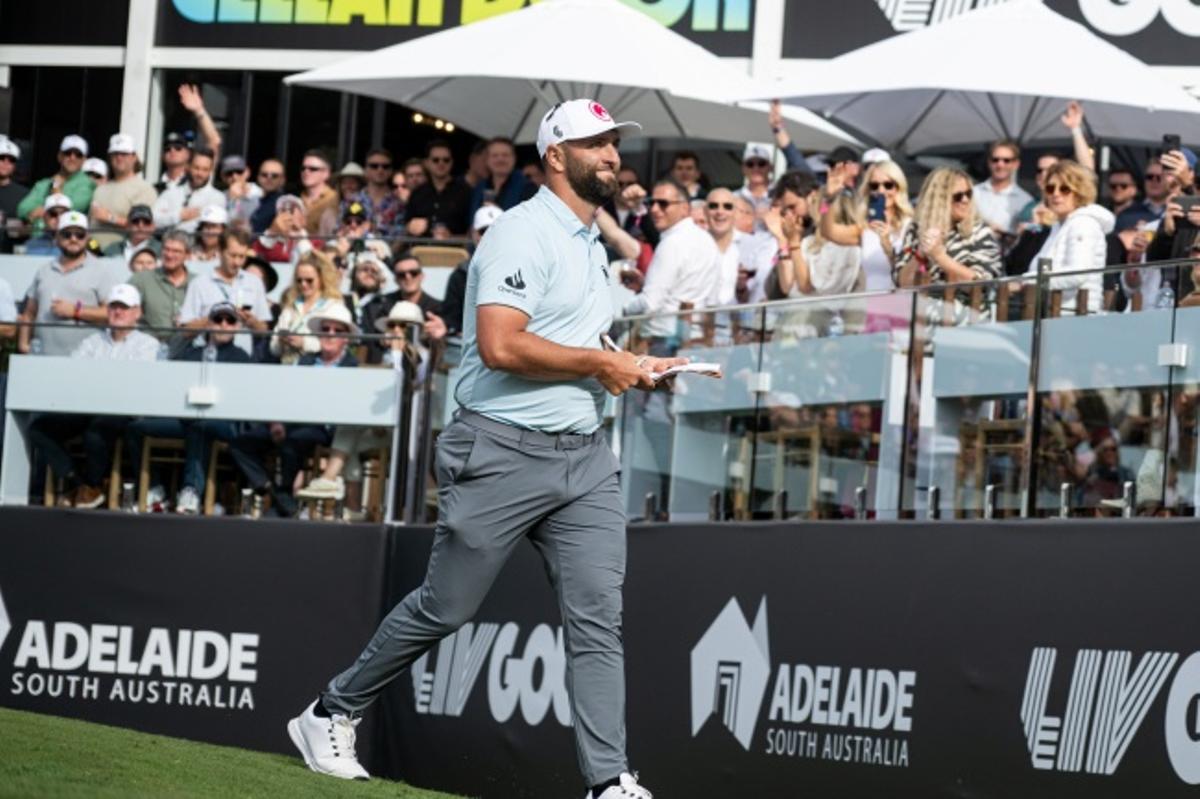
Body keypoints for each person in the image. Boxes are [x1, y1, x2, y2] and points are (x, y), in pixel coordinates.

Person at [287, 98, 667, 799]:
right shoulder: (520, 232)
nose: (613, 155)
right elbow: (498, 345)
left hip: (584, 457)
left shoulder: (592, 242)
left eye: (614, 143)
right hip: (499, 448)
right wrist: (595, 363)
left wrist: (625, 365)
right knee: (447, 606)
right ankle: (331, 710)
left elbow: (575, 343)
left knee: (596, 617)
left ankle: (609, 782)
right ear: (557, 157)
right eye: (597, 144)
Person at [297, 300, 446, 518]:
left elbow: (402, 385)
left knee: (349, 431)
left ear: (415, 331)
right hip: (393, 430)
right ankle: (351, 505)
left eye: (402, 326)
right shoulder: (394, 355)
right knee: (352, 437)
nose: (396, 331)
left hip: (409, 434)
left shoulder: (419, 355)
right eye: (393, 325)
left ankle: (334, 484)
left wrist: (396, 353)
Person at [27, 284, 160, 509]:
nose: (118, 312)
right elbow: (75, 373)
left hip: (123, 410)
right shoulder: (92, 341)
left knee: (96, 431)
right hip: (86, 406)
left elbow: (134, 384)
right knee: (39, 428)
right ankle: (76, 482)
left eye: (124, 308)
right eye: (114, 307)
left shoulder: (148, 344)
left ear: (137, 312)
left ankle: (93, 484)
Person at [231, 304, 360, 517]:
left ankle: (282, 499)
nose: (330, 334)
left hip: (323, 426)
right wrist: (277, 422)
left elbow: (342, 405)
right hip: (291, 421)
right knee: (240, 443)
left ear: (346, 338)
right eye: (325, 329)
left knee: (294, 441)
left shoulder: (351, 366)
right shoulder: (306, 360)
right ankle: (272, 490)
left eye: (338, 331)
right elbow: (285, 394)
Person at [125, 301, 250, 515]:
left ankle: (191, 490)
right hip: (187, 419)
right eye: (217, 319)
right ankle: (155, 488)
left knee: (200, 424)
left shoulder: (242, 358)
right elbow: (172, 383)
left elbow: (244, 399)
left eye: (229, 320)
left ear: (237, 326)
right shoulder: (191, 353)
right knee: (135, 427)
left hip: (224, 424)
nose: (223, 324)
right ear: (208, 323)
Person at [621, 177, 722, 345]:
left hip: (667, 342)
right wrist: (645, 284)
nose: (654, 209)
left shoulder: (673, 242)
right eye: (651, 202)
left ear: (684, 208)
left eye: (663, 204)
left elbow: (650, 303)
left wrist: (621, 310)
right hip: (698, 339)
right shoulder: (706, 239)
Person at [894, 167, 1002, 322]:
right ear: (939, 198)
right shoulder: (916, 229)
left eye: (968, 194)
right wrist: (920, 254)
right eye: (958, 196)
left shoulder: (979, 231)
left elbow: (981, 284)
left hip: (968, 324)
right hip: (922, 326)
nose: (965, 200)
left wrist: (940, 257)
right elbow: (903, 283)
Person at [18, 211, 119, 356]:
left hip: (85, 361)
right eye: (67, 234)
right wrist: (23, 345)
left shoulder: (101, 270)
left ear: (87, 237)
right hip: (43, 358)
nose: (73, 239)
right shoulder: (44, 271)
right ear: (57, 237)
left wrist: (76, 311)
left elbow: (114, 314)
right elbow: (29, 313)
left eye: (80, 235)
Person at [1022, 161, 1113, 315]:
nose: (1056, 194)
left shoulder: (1083, 223)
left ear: (1079, 192)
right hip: (1054, 314)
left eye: (1064, 189)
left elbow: (1077, 274)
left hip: (1076, 317)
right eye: (1050, 188)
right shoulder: (1060, 225)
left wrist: (1027, 282)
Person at [817, 159, 913, 292]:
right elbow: (828, 232)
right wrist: (828, 199)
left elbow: (909, 276)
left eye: (888, 185)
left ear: (899, 187)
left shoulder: (910, 226)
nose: (881, 190)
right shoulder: (866, 228)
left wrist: (888, 248)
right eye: (874, 186)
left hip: (903, 305)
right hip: (873, 307)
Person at [178, 229, 271, 356]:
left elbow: (264, 331)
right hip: (206, 357)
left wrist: (252, 322)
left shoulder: (254, 283)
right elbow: (186, 331)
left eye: (242, 257)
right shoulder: (199, 283)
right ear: (220, 252)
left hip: (241, 359)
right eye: (232, 255)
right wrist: (215, 318)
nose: (237, 262)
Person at [271, 250, 346, 365]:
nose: (303, 284)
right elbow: (273, 348)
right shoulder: (290, 307)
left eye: (309, 280)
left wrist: (303, 343)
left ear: (322, 278)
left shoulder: (335, 307)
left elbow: (338, 346)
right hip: (286, 370)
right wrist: (282, 342)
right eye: (299, 280)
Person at [441, 205, 502, 336]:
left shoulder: (523, 270)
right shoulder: (459, 275)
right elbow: (451, 320)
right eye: (483, 231)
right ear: (474, 235)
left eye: (496, 230)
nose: (489, 236)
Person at [88, 133, 158, 247]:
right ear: (110, 157)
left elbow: (144, 228)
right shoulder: (100, 190)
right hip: (93, 253)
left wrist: (110, 218)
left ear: (134, 157)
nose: (119, 157)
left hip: (123, 256)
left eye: (124, 153)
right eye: (115, 153)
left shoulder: (145, 189)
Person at [17, 135, 94, 235]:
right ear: (59, 156)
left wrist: (42, 210)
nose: (72, 158)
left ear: (84, 160)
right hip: (37, 241)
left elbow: (69, 208)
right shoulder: (44, 184)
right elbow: (22, 208)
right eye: (68, 153)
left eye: (78, 155)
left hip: (68, 243)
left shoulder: (88, 184)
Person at [155, 84, 224, 194]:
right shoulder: (155, 188)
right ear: (162, 156)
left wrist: (199, 110)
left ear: (188, 153)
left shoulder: (198, 178)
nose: (172, 150)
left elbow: (214, 141)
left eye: (178, 147)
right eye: (167, 148)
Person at [128, 230, 192, 341]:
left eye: (176, 251)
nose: (169, 255)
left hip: (188, 347)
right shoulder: (141, 279)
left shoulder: (197, 283)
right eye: (166, 249)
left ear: (187, 255)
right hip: (148, 346)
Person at [405, 139, 472, 237]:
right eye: (435, 160)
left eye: (446, 160)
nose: (441, 163)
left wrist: (451, 237)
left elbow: (472, 233)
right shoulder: (417, 193)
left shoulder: (465, 192)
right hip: (421, 250)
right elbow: (406, 226)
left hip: (454, 251)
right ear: (427, 163)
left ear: (452, 162)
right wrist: (411, 226)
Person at [153, 146, 224, 234]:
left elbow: (210, 226)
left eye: (205, 169)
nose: (200, 173)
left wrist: (167, 217)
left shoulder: (217, 197)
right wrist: (179, 216)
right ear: (188, 167)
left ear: (210, 171)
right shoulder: (170, 193)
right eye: (196, 168)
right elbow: (153, 220)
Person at [973, 139, 1034, 240]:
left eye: (1006, 160)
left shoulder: (1026, 201)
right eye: (995, 160)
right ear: (989, 162)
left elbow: (1026, 237)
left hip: (1004, 253)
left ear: (1016, 164)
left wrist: (1004, 235)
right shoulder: (972, 193)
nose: (1000, 165)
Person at [467, 137, 535, 218]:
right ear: (487, 160)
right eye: (495, 155)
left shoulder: (527, 188)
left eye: (505, 155)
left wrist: (498, 214)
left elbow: (530, 222)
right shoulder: (479, 187)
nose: (500, 159)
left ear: (514, 158)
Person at [704, 187, 745, 307]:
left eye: (727, 206)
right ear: (705, 211)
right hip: (700, 321)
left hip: (739, 322)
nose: (720, 212)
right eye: (713, 206)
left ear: (736, 212)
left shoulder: (750, 244)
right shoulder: (693, 245)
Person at [386, 249, 442, 318]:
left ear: (422, 276)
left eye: (414, 273)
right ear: (395, 280)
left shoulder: (438, 309)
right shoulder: (382, 305)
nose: (408, 277)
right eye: (401, 275)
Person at [298, 150, 338, 237]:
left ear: (326, 174)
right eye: (303, 168)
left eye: (313, 169)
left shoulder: (335, 199)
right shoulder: (296, 201)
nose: (306, 172)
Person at [0, 136, 27, 252]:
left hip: (9, 255)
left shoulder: (24, 194)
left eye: (11, 160)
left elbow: (32, 228)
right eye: (2, 158)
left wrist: (17, 228)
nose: (6, 163)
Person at [735, 143, 775, 219]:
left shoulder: (781, 195)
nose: (756, 168)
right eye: (750, 164)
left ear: (771, 167)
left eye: (761, 164)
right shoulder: (733, 198)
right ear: (743, 168)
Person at [222, 154, 261, 232]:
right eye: (229, 173)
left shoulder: (260, 193)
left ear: (247, 172)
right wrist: (231, 200)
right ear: (223, 177)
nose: (234, 177)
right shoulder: (221, 197)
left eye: (239, 171)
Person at [249, 158, 287, 233]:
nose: (269, 178)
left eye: (274, 176)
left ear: (283, 180)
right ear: (258, 177)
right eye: (264, 175)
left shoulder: (285, 204)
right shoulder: (249, 198)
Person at [190, 205, 228, 270]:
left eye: (213, 226)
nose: (209, 231)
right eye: (205, 226)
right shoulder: (190, 253)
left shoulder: (228, 255)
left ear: (223, 230)